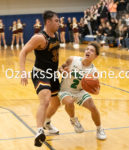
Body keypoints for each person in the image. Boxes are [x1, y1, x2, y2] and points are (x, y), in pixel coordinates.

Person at [19, 10, 60, 147]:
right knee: (45, 99)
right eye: (56, 21)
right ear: (48, 22)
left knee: (56, 103)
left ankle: (47, 122)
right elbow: (23, 52)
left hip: (53, 73)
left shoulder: (56, 35)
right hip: (40, 73)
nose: (59, 23)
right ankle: (39, 131)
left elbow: (53, 56)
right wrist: (22, 71)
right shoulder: (39, 38)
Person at [57, 42, 106, 140]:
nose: (88, 51)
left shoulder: (93, 71)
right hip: (64, 90)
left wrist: (95, 90)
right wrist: (63, 71)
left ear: (95, 56)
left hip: (79, 92)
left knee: (93, 107)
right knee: (70, 101)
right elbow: (61, 67)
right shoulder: (72, 59)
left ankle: (99, 129)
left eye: (91, 50)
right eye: (87, 49)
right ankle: (73, 120)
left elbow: (97, 90)